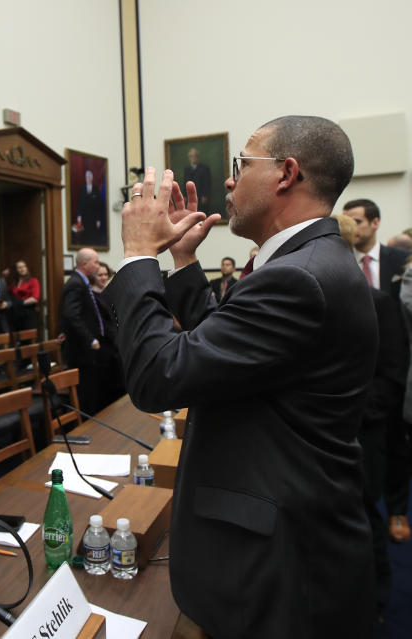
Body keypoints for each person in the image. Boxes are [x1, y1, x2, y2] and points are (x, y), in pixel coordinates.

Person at [103, 115, 376, 637]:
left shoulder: (297, 276)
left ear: (285, 174)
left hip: (281, 561)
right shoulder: (308, 262)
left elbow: (160, 376)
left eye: (241, 164)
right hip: (286, 531)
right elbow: (229, 362)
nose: (229, 180)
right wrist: (184, 264)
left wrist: (138, 255)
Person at [333, 212, 402, 615]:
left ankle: (374, 601)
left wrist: (348, 415)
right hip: (324, 437)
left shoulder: (380, 303)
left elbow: (391, 378)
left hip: (363, 432)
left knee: (364, 515)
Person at [343, 198, 412, 543]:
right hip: (361, 369)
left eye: (358, 220)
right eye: (348, 221)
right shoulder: (341, 263)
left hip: (397, 361)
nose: (353, 227)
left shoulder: (400, 261)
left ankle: (398, 509)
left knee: (397, 441)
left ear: (375, 223)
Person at [60, 248, 122, 415]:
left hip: (90, 350)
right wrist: (90, 340)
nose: (97, 266)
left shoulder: (81, 282)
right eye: (95, 262)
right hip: (82, 351)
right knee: (87, 395)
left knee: (96, 391)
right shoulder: (75, 283)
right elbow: (70, 314)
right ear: (85, 264)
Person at [72, 169, 106, 247]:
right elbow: (80, 203)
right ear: (85, 178)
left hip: (94, 218)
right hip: (84, 217)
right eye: (87, 177)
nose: (88, 178)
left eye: (90, 177)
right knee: (84, 235)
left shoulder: (96, 190)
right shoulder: (82, 189)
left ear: (92, 178)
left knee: (93, 236)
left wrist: (98, 219)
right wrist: (79, 216)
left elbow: (99, 206)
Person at [10, 259, 40, 331]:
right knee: (17, 338)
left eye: (24, 266)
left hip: (28, 312)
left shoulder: (33, 281)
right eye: (19, 267)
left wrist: (20, 303)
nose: (22, 269)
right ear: (16, 270)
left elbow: (35, 298)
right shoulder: (14, 282)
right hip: (16, 313)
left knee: (29, 337)